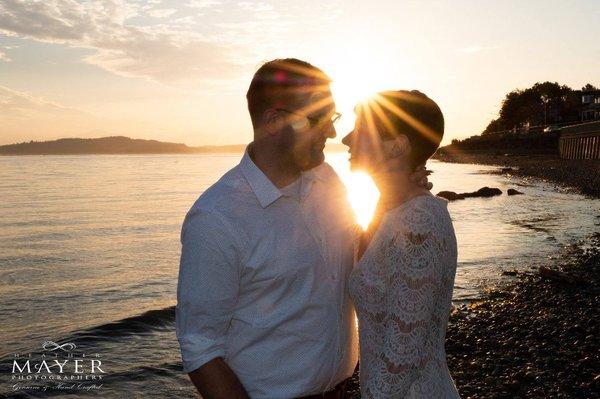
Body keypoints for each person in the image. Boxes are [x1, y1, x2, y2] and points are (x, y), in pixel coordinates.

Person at [176, 59, 430, 399]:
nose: (332, 132)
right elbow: (200, 348)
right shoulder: (217, 219)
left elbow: (357, 256)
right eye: (319, 118)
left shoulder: (327, 179)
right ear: (273, 121)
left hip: (343, 390)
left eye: (333, 117)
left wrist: (394, 197)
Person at [343, 90, 461, 398]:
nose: (346, 139)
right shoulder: (388, 211)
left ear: (397, 145)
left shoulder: (419, 220)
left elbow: (402, 354)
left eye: (360, 131)